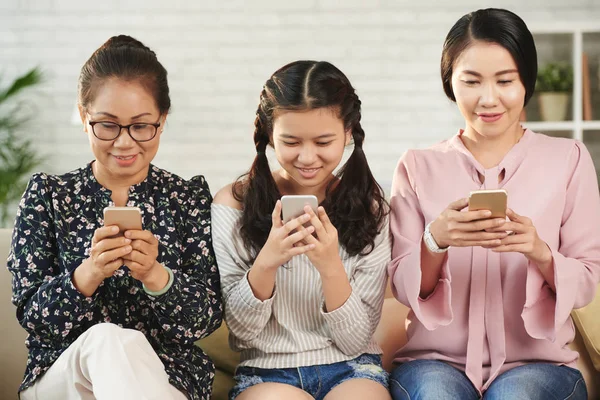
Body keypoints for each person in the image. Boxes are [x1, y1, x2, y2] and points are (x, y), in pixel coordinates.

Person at [388, 8, 600, 400]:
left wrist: (539, 252)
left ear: (526, 83)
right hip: (434, 362)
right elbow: (402, 285)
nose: (488, 99)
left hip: (539, 366)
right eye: (471, 81)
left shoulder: (569, 159)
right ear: (450, 82)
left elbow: (588, 279)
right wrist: (435, 240)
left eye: (505, 80)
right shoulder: (417, 166)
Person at [7, 35, 222, 400]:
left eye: (141, 126)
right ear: (83, 115)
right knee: (107, 339)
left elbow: (203, 321)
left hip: (165, 379)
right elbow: (35, 319)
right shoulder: (48, 196)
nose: (124, 143)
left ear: (163, 118)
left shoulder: (186, 198)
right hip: (65, 375)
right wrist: (87, 274)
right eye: (107, 125)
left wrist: (156, 276)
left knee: (125, 349)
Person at [212, 60, 391, 400]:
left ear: (348, 132)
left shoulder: (371, 206)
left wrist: (330, 266)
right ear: (268, 134)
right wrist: (267, 261)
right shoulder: (234, 205)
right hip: (266, 372)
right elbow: (242, 333)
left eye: (324, 142)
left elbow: (355, 340)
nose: (307, 158)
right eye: (291, 141)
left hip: (352, 366)